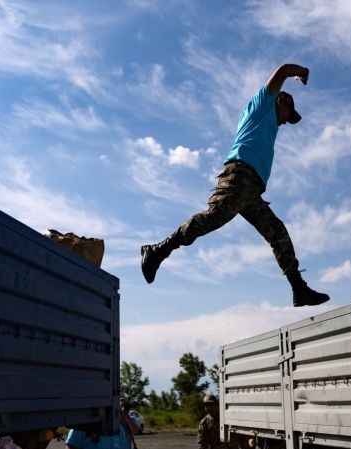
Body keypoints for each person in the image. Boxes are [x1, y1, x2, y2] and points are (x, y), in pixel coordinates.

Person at [140, 63, 330, 308]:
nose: (286, 123)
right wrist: (302, 71)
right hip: (240, 176)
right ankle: (157, 251)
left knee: (277, 233)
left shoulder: (269, 123)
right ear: (281, 102)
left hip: (252, 190)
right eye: (288, 115)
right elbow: (282, 71)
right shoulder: (263, 105)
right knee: (215, 217)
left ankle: (299, 289)